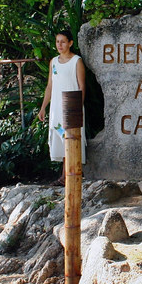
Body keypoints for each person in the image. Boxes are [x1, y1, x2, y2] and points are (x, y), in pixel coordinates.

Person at [36, 29, 86, 185]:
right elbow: (50, 86)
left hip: (72, 107)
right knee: (62, 138)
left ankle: (69, 176)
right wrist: (43, 107)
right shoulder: (54, 62)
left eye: (63, 41)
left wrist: (78, 107)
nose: (60, 44)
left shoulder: (76, 61)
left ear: (70, 43)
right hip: (57, 107)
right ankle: (65, 175)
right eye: (57, 41)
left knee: (71, 138)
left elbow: (82, 86)